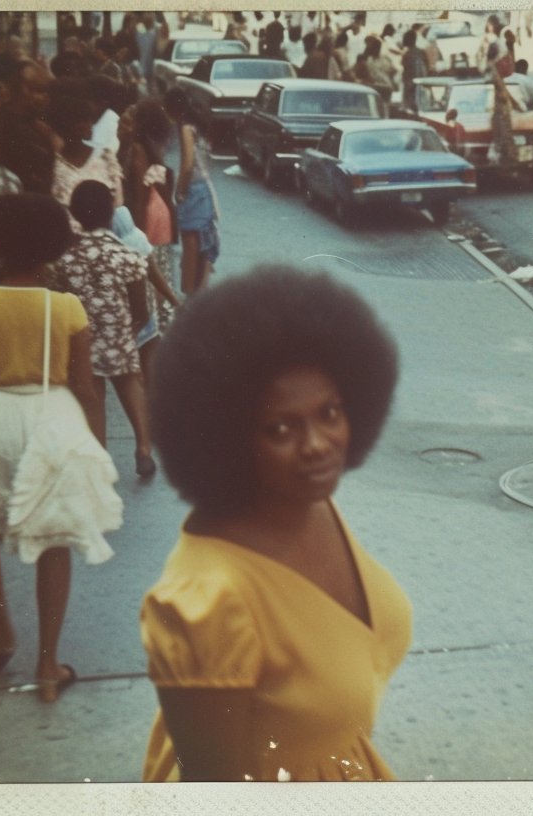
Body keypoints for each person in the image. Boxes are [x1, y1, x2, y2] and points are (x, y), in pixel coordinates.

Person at [140, 267, 409, 782]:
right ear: (227, 435)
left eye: (329, 412)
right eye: (280, 427)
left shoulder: (307, 503)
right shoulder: (208, 601)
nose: (316, 444)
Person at [0, 194, 123, 702]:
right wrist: (98, 449)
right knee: (55, 537)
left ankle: (2, 631)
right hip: (54, 417)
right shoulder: (66, 307)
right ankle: (47, 665)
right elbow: (87, 389)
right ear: (54, 248)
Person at [52, 180, 169, 481]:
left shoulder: (65, 258)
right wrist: (129, 331)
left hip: (81, 335)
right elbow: (140, 308)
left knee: (92, 393)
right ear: (110, 213)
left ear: (76, 216)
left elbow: (61, 300)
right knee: (130, 385)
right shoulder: (125, 255)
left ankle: (100, 457)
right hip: (119, 332)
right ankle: (143, 449)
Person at [123, 98, 184, 368]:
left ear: (138, 124)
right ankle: (165, 336)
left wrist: (135, 233)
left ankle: (157, 340)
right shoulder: (151, 146)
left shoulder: (136, 149)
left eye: (128, 118)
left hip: (148, 214)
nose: (123, 122)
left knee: (149, 276)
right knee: (159, 270)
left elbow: (139, 193)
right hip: (162, 215)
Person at [162, 88, 221, 296]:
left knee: (190, 247)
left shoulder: (186, 128)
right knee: (204, 245)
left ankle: (189, 294)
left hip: (192, 189)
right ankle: (200, 294)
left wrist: (179, 191)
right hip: (205, 188)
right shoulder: (201, 127)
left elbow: (187, 165)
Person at [48, 93, 125, 231]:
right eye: (82, 120)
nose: (89, 125)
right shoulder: (55, 164)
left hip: (104, 236)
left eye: (89, 120)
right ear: (67, 126)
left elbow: (118, 204)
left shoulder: (105, 157)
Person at [0, 59, 57, 195]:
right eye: (41, 91)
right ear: (24, 90)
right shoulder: (0, 123)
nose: (47, 98)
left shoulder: (40, 127)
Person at [485, 42, 520, 171]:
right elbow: (502, 90)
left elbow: (503, 89)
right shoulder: (492, 69)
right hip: (499, 107)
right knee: (503, 134)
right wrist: (512, 103)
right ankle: (506, 162)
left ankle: (504, 161)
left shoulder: (490, 67)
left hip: (498, 106)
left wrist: (514, 102)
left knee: (502, 135)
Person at [353, 36, 396, 103]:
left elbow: (393, 71)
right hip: (377, 86)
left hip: (381, 86)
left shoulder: (383, 58)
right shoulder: (365, 59)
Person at [399, 29, 427, 113]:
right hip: (420, 81)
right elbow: (426, 66)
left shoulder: (406, 53)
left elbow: (404, 68)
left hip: (409, 81)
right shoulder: (421, 52)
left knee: (409, 104)